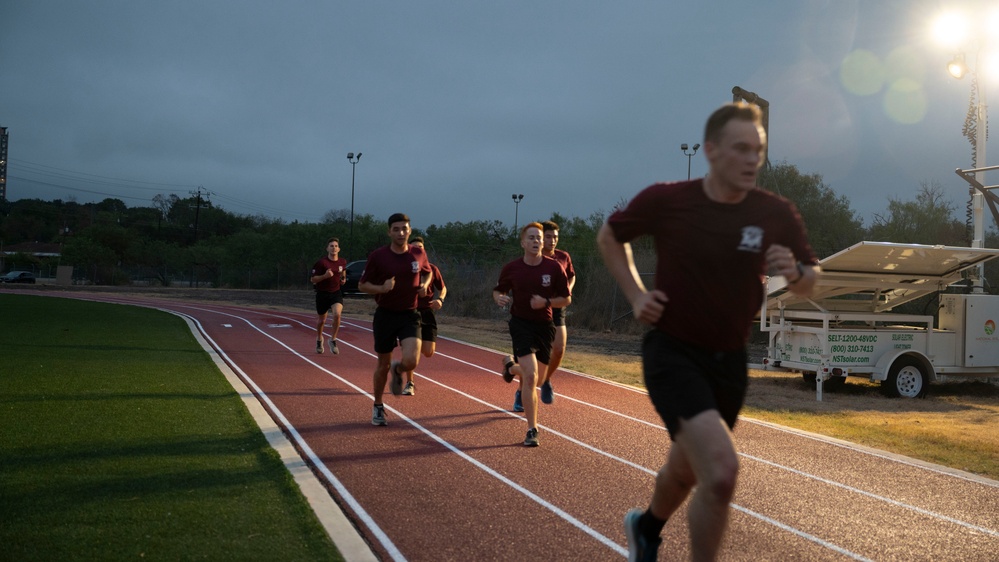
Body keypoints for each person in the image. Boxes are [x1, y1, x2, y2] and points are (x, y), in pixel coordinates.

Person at [597, 102, 819, 562]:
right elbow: (609, 236)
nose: (751, 159)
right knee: (720, 472)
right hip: (673, 352)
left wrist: (795, 273)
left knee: (688, 471)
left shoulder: (774, 212)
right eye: (740, 148)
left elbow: (812, 278)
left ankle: (646, 527)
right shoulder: (668, 200)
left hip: (730, 361)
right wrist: (638, 295)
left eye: (757, 150)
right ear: (711, 150)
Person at [493, 222, 571, 447]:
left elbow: (566, 299)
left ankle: (510, 368)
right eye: (532, 238)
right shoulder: (512, 268)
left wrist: (546, 302)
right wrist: (498, 297)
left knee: (537, 378)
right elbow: (499, 289)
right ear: (523, 243)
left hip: (545, 326)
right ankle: (532, 429)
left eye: (539, 238)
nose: (537, 241)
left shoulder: (554, 267)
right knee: (530, 377)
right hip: (520, 325)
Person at [359, 213, 432, 426]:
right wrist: (382, 288)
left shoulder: (418, 253)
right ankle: (378, 406)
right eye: (397, 229)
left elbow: (427, 273)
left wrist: (425, 285)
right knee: (383, 364)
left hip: (410, 314)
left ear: (410, 230)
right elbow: (363, 285)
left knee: (412, 360)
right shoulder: (378, 256)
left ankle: (399, 370)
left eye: (405, 229)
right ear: (389, 232)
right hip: (386, 314)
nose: (401, 232)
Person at [400, 236, 447, 396]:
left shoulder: (432, 269)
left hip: (428, 313)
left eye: (420, 247)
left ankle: (411, 355)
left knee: (428, 352)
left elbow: (443, 288)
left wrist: (440, 299)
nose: (417, 250)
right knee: (412, 350)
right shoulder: (404, 269)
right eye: (414, 248)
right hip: (410, 313)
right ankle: (410, 382)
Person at [539, 220, 575, 404]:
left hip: (557, 307)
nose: (552, 241)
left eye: (555, 237)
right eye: (548, 237)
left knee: (559, 349)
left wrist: (567, 289)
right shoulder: (534, 257)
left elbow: (572, 275)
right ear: (541, 237)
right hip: (537, 309)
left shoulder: (563, 257)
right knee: (534, 356)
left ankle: (545, 380)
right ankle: (522, 391)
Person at [309, 237, 347, 355]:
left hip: (336, 293)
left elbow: (343, 272)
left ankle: (333, 339)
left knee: (337, 314)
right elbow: (313, 279)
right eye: (331, 246)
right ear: (327, 248)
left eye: (336, 246)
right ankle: (319, 339)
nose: (334, 248)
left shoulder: (342, 262)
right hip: (322, 294)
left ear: (339, 249)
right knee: (322, 320)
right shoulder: (322, 263)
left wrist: (343, 279)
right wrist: (325, 276)